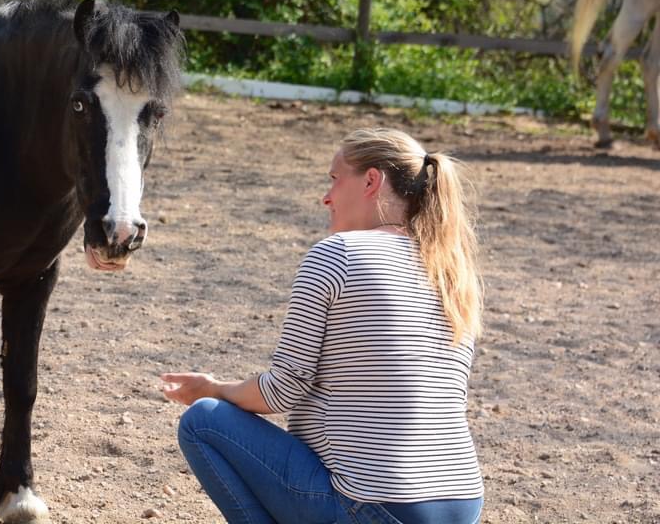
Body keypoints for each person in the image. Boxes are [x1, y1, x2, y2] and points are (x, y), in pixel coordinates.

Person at [161, 128, 485, 524]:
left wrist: (212, 389)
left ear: (371, 181)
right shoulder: (450, 272)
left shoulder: (339, 254)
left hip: (375, 503)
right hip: (462, 501)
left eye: (335, 179)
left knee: (204, 420)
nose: (326, 196)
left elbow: (283, 390)